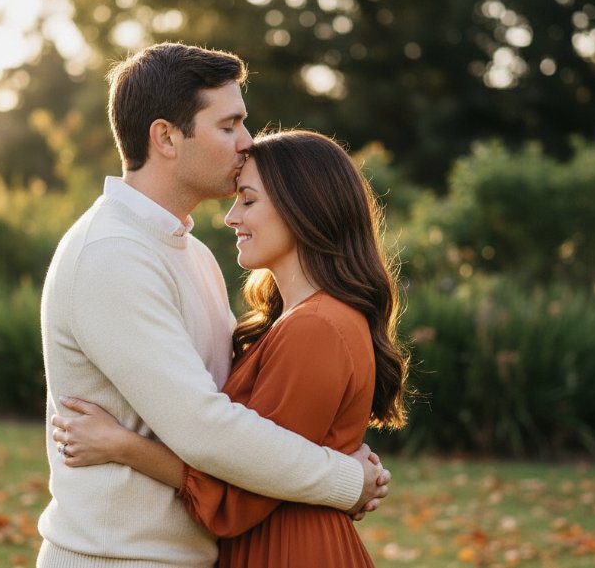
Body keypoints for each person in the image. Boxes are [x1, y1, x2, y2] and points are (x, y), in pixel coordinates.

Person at [37, 42, 391, 568]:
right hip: (118, 558)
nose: (247, 142)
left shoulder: (191, 253)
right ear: (165, 137)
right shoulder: (111, 254)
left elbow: (238, 408)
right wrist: (344, 478)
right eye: (228, 126)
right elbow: (205, 427)